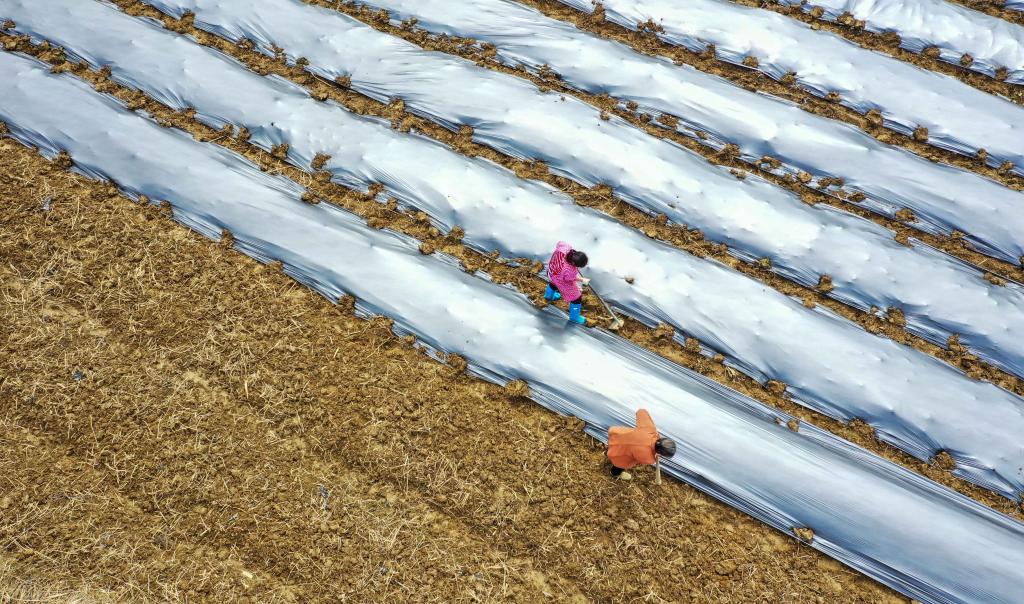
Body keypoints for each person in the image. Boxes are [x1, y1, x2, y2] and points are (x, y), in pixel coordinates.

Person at [607, 408, 676, 481]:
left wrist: (654, 432)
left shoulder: (650, 428)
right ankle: (614, 473)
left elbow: (641, 411)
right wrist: (655, 456)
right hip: (619, 455)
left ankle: (607, 451)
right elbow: (646, 460)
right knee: (619, 466)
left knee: (611, 446)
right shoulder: (649, 458)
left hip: (615, 437)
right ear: (660, 453)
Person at [544, 241, 590, 325]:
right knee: (576, 298)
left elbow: (559, 243)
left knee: (554, 283)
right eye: (578, 266)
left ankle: (548, 296)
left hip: (552, 272)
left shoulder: (565, 247)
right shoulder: (569, 270)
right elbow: (569, 279)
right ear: (573, 263)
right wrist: (582, 280)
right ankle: (574, 317)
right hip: (561, 279)